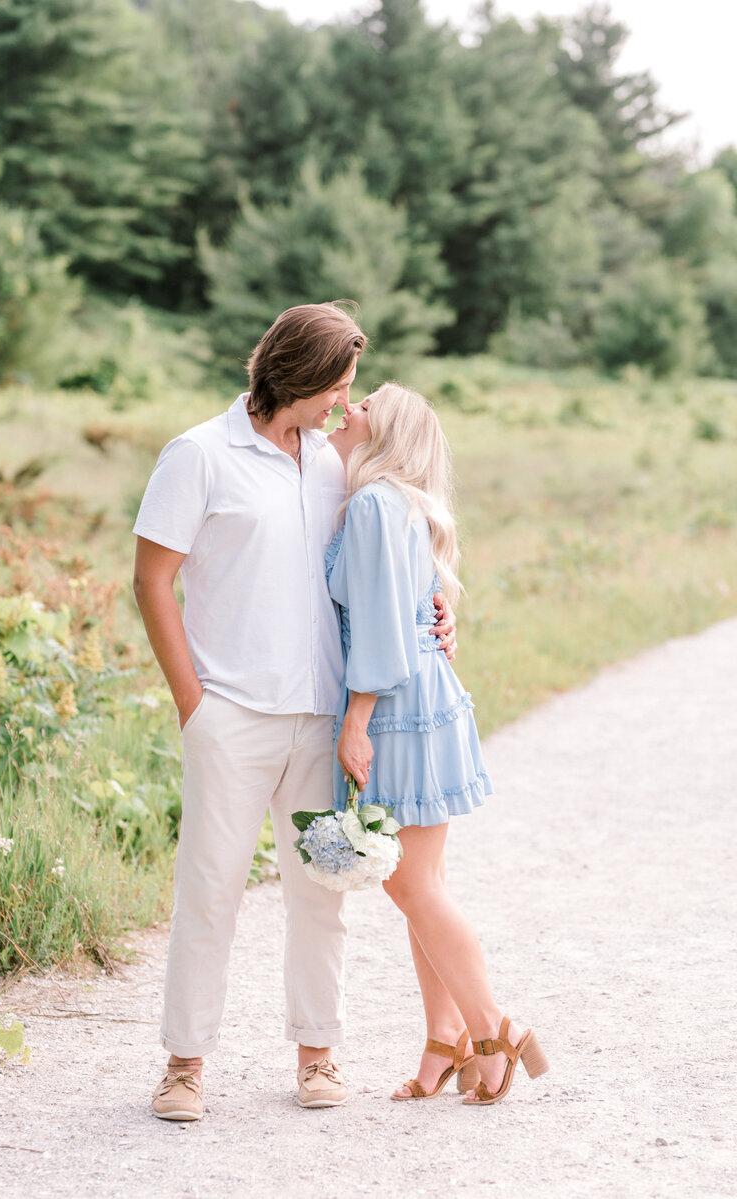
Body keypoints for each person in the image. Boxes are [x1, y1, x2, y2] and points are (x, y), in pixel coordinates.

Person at [132, 305, 456, 1119]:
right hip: (229, 714)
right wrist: (192, 703)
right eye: (337, 389)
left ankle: (318, 1055)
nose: (347, 406)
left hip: (320, 716)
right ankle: (183, 1065)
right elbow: (151, 580)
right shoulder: (199, 455)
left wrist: (436, 608)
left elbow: (388, 554)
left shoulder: (333, 462)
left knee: (323, 893)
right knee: (209, 889)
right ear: (299, 377)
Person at [325, 382, 549, 1105]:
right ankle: (444, 1038)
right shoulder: (396, 504)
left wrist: (356, 719)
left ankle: (494, 1030)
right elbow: (412, 608)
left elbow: (387, 629)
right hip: (423, 694)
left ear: (383, 432)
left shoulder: (371, 505)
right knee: (420, 884)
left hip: (399, 703)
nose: (349, 409)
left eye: (365, 405)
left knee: (409, 882)